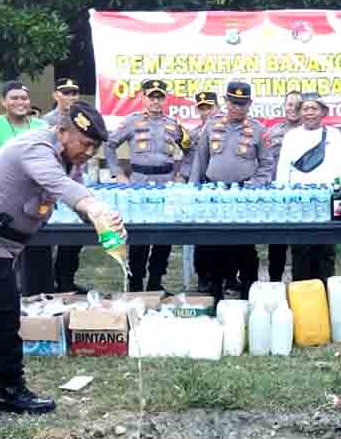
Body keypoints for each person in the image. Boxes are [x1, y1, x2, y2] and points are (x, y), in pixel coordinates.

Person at [0, 102, 122, 414]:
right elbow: (59, 185)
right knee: (4, 313)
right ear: (63, 131)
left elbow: (69, 191)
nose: (88, 152)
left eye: (94, 146)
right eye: (85, 143)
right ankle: (10, 391)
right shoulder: (36, 147)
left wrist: (96, 218)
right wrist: (94, 207)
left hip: (0, 241)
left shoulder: (64, 155)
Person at [188, 81, 274, 300]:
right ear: (226, 102)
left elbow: (266, 165)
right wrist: (194, 190)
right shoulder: (211, 125)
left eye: (242, 103)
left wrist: (253, 186)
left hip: (244, 196)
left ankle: (247, 295)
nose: (237, 107)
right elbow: (201, 159)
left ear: (249, 104)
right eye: (233, 102)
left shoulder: (258, 130)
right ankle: (216, 296)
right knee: (216, 246)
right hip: (214, 194)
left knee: (244, 247)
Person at [105, 79, 190, 292]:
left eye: (159, 96)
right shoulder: (132, 122)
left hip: (166, 185)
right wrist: (118, 173)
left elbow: (192, 149)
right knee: (139, 236)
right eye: (151, 96)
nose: (155, 101)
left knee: (164, 235)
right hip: (139, 185)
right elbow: (110, 144)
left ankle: (155, 284)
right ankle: (135, 284)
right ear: (143, 98)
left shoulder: (173, 125)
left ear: (165, 99)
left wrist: (183, 174)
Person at [275, 92, 341, 283]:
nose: (309, 113)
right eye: (305, 108)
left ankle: (324, 298)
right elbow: (283, 170)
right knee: (300, 253)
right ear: (299, 113)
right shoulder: (291, 136)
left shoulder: (334, 135)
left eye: (314, 108)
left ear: (323, 112)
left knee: (325, 253)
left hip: (327, 203)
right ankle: (302, 300)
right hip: (299, 205)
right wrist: (283, 198)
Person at [44, 78, 87, 293]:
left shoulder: (80, 120)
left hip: (75, 181)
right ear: (56, 95)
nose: (71, 97)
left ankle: (67, 280)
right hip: (52, 185)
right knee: (50, 238)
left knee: (74, 237)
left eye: (74, 93)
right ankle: (49, 281)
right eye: (66, 93)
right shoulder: (45, 121)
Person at [183, 91, 219, 292]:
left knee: (225, 236)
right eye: (202, 108)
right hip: (200, 188)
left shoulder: (226, 131)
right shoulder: (193, 135)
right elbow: (188, 162)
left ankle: (227, 276)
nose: (206, 112)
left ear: (217, 108)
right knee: (201, 236)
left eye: (210, 107)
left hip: (221, 188)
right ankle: (203, 277)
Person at [265, 90, 302, 283]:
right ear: (284, 106)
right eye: (289, 104)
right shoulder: (272, 133)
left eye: (298, 104)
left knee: (301, 245)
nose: (293, 108)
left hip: (303, 197)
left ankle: (299, 286)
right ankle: (274, 284)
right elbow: (264, 162)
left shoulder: (310, 133)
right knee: (276, 243)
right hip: (277, 195)